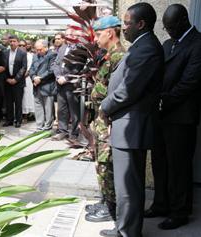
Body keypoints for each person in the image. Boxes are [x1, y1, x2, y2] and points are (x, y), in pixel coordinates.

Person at [99, 3, 164, 237]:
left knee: (128, 188)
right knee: (127, 186)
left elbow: (129, 89)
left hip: (132, 127)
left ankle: (127, 233)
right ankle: (125, 228)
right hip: (128, 124)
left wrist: (105, 106)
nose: (123, 27)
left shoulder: (146, 47)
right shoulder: (142, 45)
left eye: (127, 23)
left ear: (140, 24)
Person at [145, 4, 201, 230]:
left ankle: (179, 212)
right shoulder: (168, 44)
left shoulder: (197, 44)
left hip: (181, 117)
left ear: (183, 20)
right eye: (165, 27)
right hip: (161, 115)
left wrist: (163, 100)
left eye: (170, 26)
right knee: (160, 163)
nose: (167, 31)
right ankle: (161, 204)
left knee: (178, 167)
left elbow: (190, 82)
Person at [82, 16, 125, 229]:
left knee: (107, 165)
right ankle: (105, 201)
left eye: (98, 34)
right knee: (101, 163)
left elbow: (116, 91)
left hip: (107, 120)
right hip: (101, 118)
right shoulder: (110, 55)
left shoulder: (120, 57)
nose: (96, 39)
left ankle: (111, 207)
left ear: (110, 32)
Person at [29, 39, 57, 131]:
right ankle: (39, 127)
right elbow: (31, 69)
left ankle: (48, 127)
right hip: (36, 85)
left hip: (47, 85)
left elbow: (51, 70)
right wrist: (33, 77)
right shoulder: (35, 56)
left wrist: (40, 78)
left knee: (48, 108)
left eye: (40, 49)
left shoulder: (52, 55)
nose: (38, 51)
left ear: (46, 47)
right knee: (38, 106)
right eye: (36, 49)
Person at [3, 35, 27, 128]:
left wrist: (16, 79)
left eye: (14, 41)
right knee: (8, 102)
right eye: (11, 41)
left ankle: (18, 120)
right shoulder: (5, 53)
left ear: (17, 42)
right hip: (7, 81)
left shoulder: (22, 53)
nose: (12, 43)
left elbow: (24, 67)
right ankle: (9, 120)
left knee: (18, 102)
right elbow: (3, 67)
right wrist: (7, 79)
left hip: (18, 81)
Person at [20, 39, 35, 120]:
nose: (22, 47)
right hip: (18, 78)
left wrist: (26, 73)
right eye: (20, 45)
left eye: (23, 45)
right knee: (21, 97)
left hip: (28, 78)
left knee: (27, 96)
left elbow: (31, 67)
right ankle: (21, 114)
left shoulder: (30, 55)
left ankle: (28, 114)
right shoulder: (17, 54)